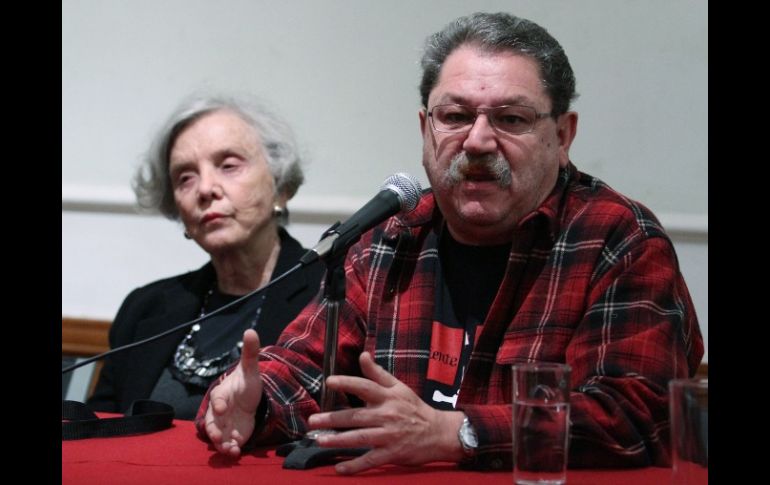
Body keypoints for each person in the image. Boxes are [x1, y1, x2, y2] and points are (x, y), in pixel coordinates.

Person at [196, 12, 704, 473]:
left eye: (511, 119)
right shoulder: (387, 239)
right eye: (456, 117)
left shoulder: (619, 240)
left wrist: (456, 433)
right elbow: (301, 370)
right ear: (425, 129)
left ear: (564, 136)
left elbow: (635, 419)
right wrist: (254, 400)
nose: (478, 141)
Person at [86, 93, 325, 420]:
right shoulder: (144, 308)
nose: (205, 189)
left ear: (280, 187)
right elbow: (100, 430)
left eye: (228, 166)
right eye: (185, 177)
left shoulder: (330, 296)